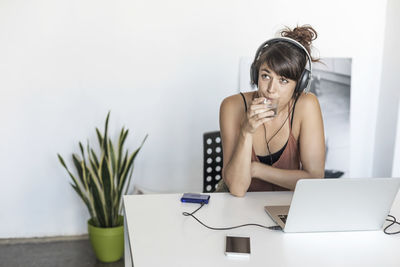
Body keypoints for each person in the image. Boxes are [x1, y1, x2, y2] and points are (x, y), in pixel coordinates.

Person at [217, 25, 325, 197]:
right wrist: (246, 131)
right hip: (238, 206)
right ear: (255, 74)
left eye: (283, 80)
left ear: (300, 84)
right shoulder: (231, 106)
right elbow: (237, 189)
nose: (270, 89)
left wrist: (257, 169)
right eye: (265, 76)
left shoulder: (306, 105)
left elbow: (314, 178)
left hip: (285, 205)